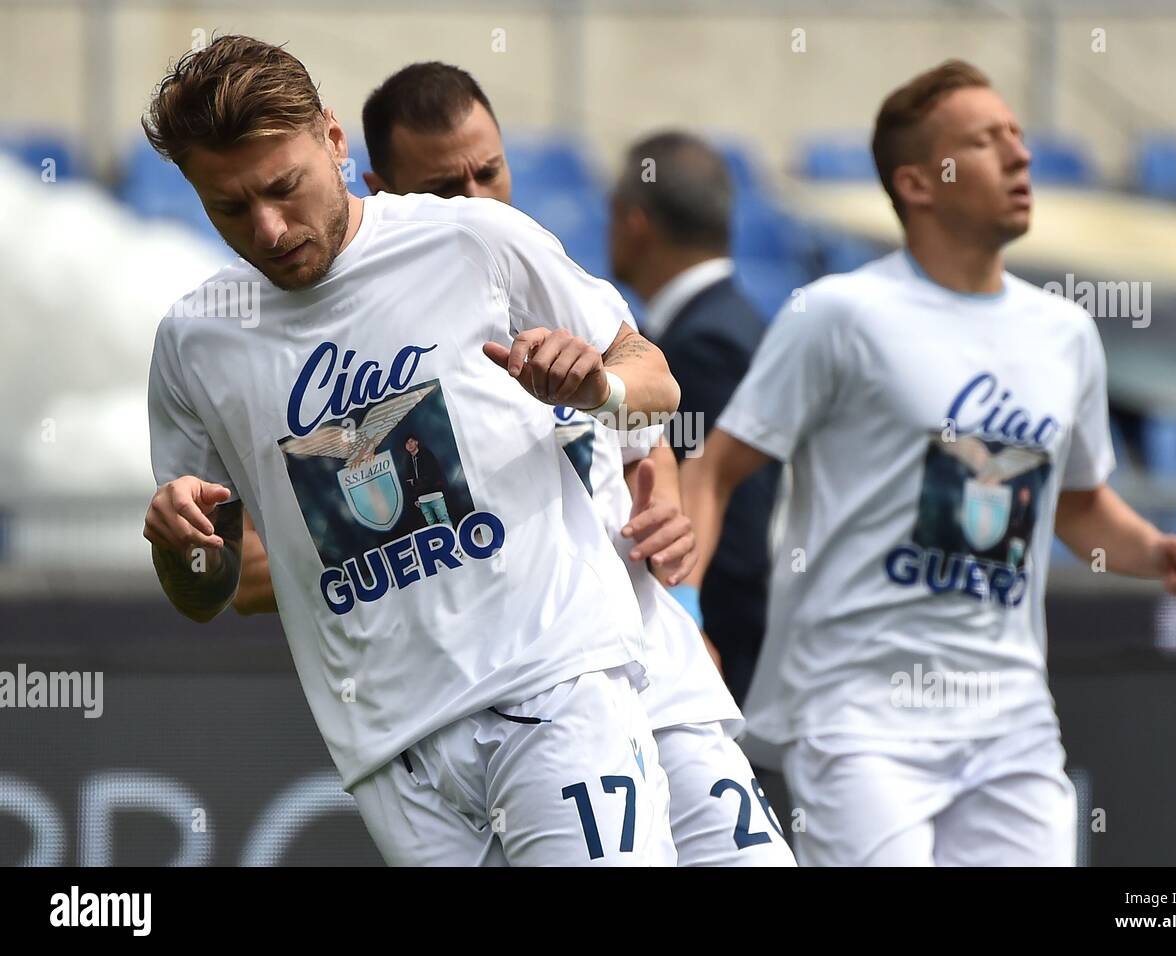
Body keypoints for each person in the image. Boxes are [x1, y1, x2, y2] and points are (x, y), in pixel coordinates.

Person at [141, 35, 682, 866]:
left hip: (550, 684)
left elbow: (652, 378)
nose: (271, 228)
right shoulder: (195, 340)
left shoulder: (472, 240)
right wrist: (182, 546)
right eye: (231, 209)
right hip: (389, 751)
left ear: (332, 138)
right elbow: (203, 593)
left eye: (284, 188)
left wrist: (596, 388)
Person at [237, 61, 793, 866]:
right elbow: (259, 573)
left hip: (654, 672)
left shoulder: (540, 271)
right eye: (444, 187)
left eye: (489, 172)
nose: (477, 202)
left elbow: (649, 425)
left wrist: (666, 526)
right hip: (520, 701)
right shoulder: (366, 351)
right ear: (379, 186)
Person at [679, 59, 1176, 866]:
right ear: (919, 183)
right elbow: (714, 469)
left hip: (1012, 719)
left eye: (1018, 136)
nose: (1019, 156)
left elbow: (1075, 505)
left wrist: (1159, 551)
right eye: (985, 141)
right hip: (859, 714)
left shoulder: (1066, 333)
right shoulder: (839, 314)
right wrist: (686, 623)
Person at [608, 132, 780, 705]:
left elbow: (734, 512)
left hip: (716, 647)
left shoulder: (708, 342)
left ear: (635, 223)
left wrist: (695, 624)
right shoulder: (727, 321)